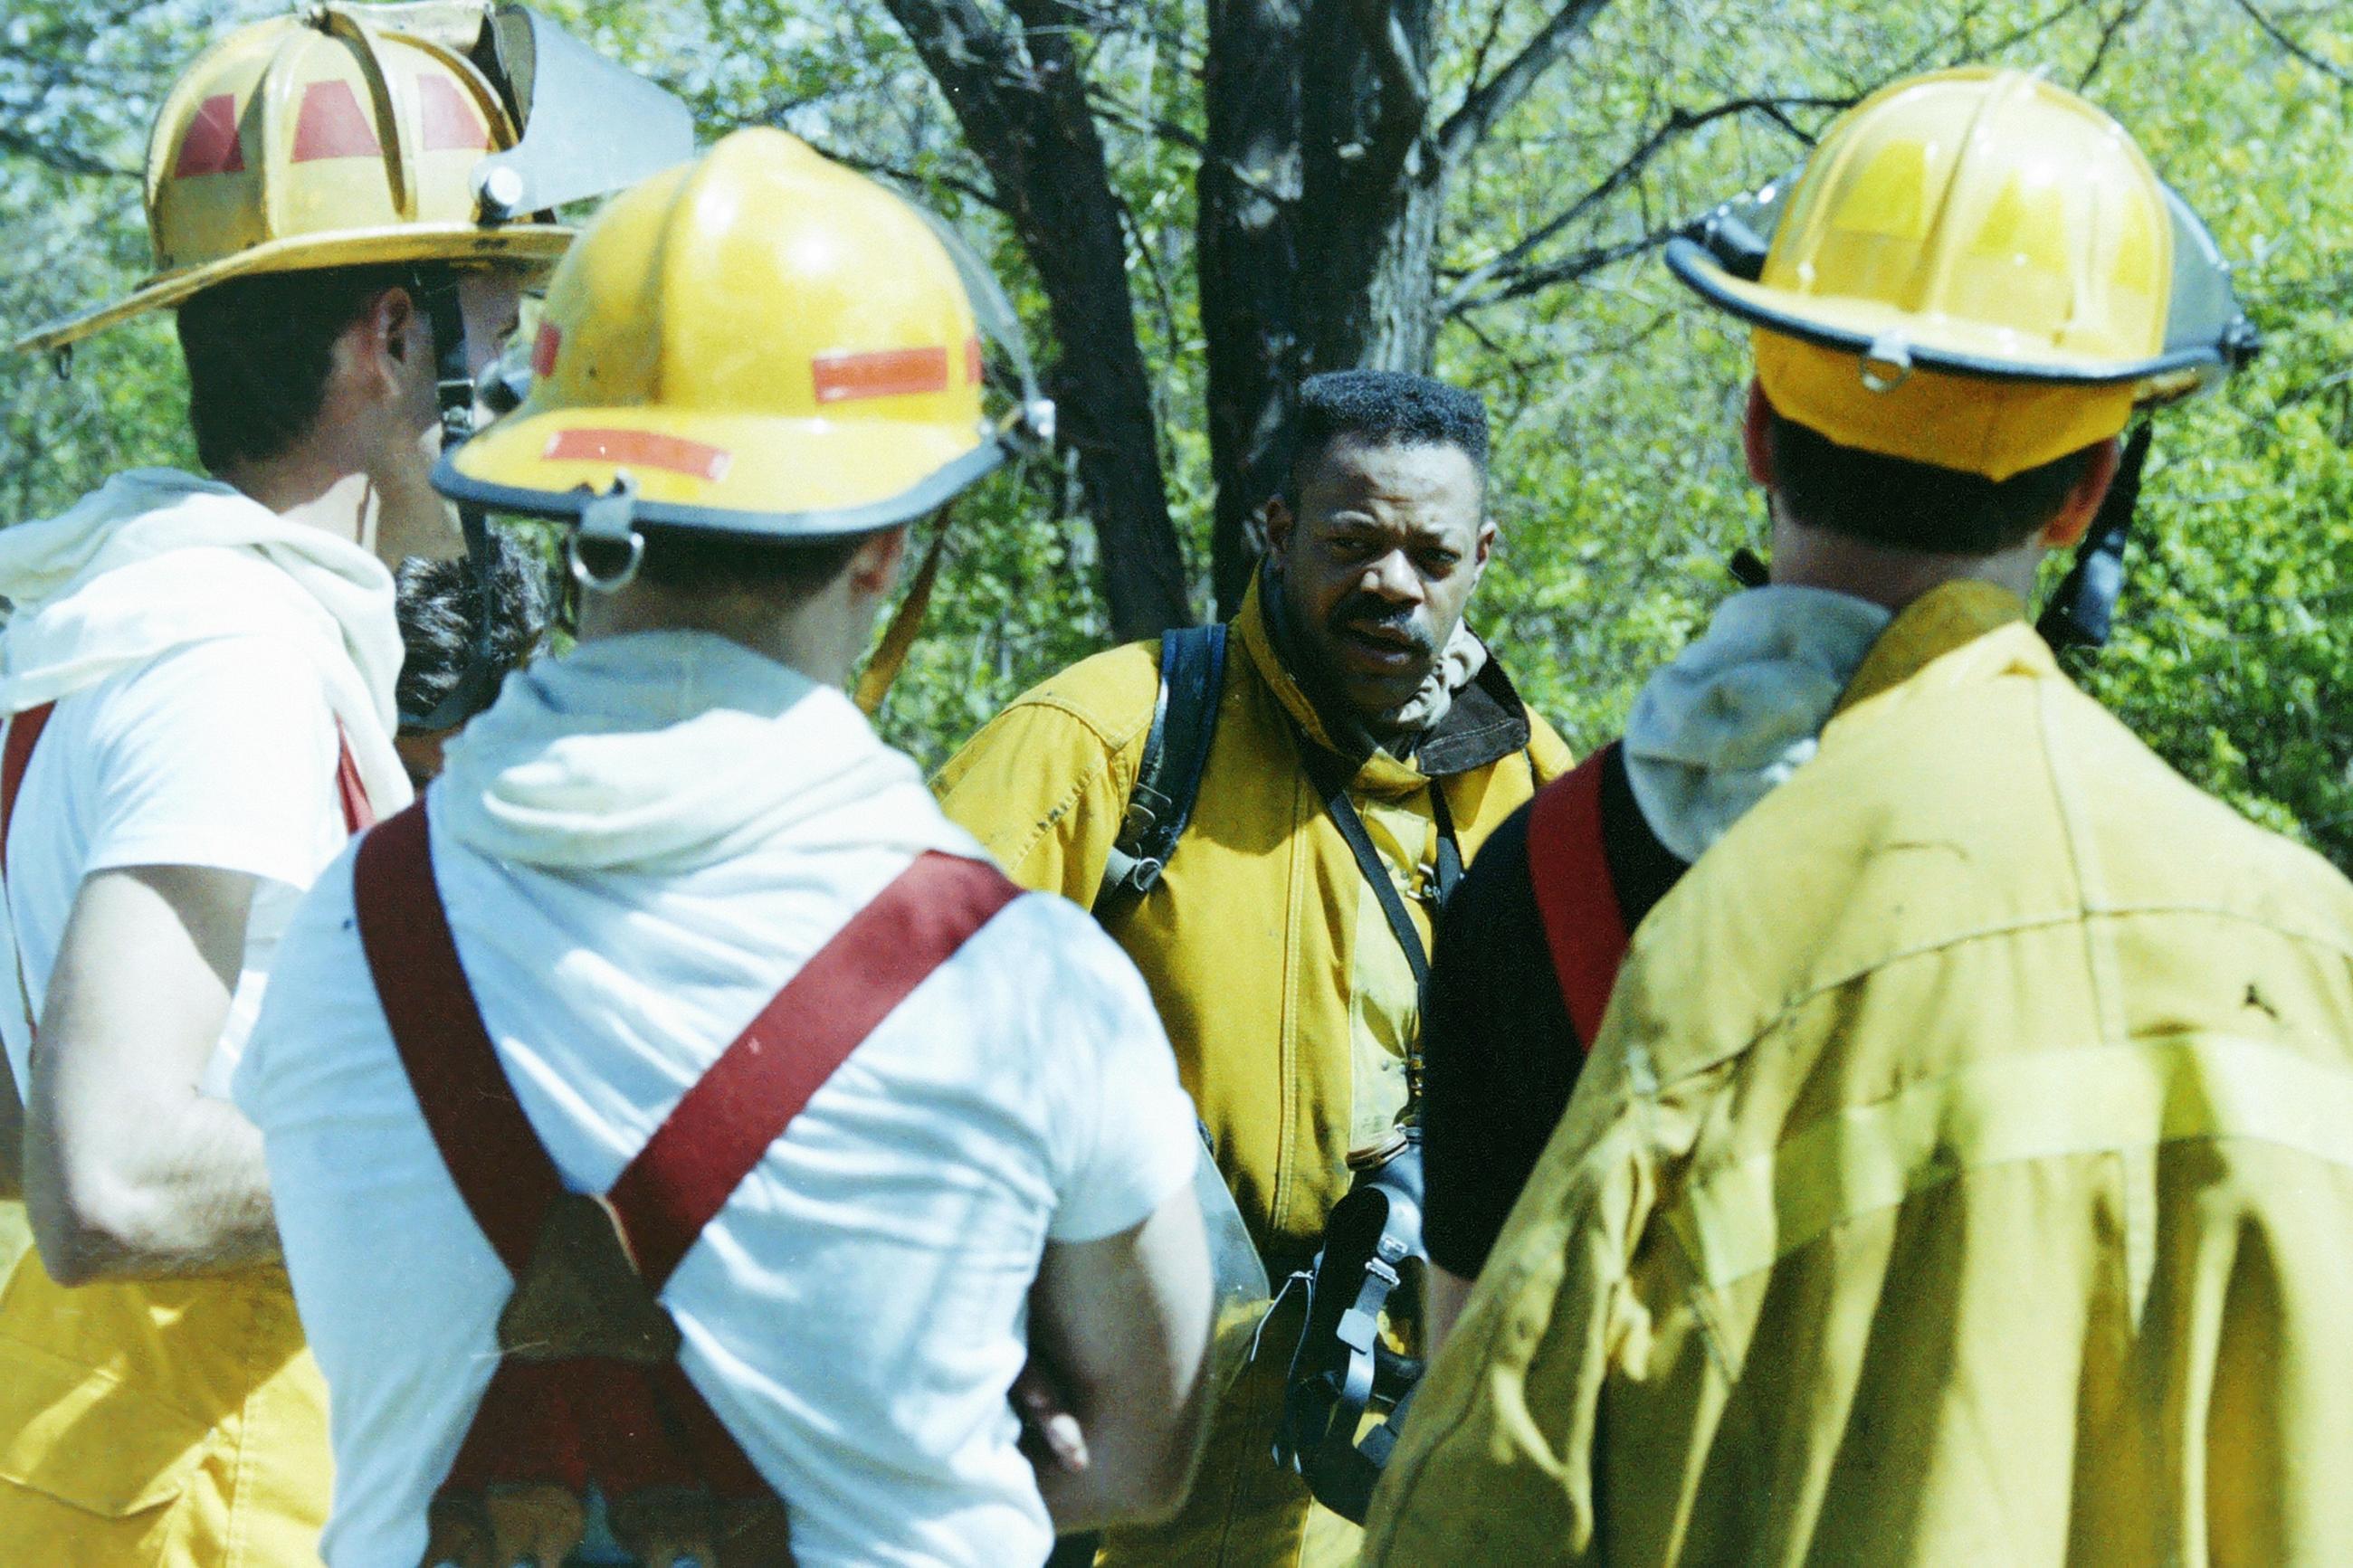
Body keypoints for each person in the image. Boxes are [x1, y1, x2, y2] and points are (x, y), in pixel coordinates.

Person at [1362, 67, 2353, 1564]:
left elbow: (1482, 1446)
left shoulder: (1541, 882)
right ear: (2088, 489)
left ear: (1761, 428)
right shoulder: (2286, 940)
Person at [232, 128, 1218, 1568]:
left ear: (567, 510)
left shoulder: (348, 929)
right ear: (886, 546)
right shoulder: (1028, 988)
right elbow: (1145, 1452)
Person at [0, 7, 682, 1563]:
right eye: (497, 323)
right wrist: (514, 1179)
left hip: (114, 1457)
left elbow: (25, 1109)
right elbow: (103, 1171)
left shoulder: (130, 608)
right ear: (391, 341)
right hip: (203, 1484)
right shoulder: (227, 656)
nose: (519, 374)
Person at [935, 368, 1573, 1564]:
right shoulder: (1109, 743)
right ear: (1276, 532)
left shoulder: (1533, 786)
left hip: (1374, 1474)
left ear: (1482, 553)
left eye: (1431, 554)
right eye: (1351, 542)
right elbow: (880, 1035)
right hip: (1112, 1466)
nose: (1392, 582)